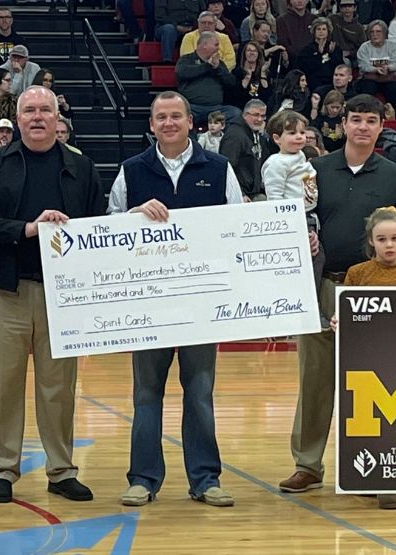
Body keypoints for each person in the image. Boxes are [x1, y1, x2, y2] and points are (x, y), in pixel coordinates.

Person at [283, 94, 396, 496]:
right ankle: (308, 464)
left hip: (382, 291)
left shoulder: (394, 175)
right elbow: (291, 217)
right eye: (355, 119)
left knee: (387, 378)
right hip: (326, 286)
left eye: (370, 120)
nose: (362, 127)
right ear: (343, 124)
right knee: (316, 377)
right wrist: (298, 238)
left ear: (381, 127)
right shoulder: (315, 170)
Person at [0, 86, 102, 504]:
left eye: (46, 109)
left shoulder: (81, 167)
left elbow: (99, 226)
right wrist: (27, 228)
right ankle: (2, 470)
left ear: (58, 117)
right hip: (8, 290)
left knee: (58, 387)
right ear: (18, 117)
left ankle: (61, 470)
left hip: (63, 295)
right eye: (30, 110)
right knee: (5, 385)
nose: (38, 117)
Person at [108, 91, 244, 509]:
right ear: (151, 125)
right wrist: (133, 216)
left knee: (199, 392)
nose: (168, 123)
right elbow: (109, 228)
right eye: (161, 117)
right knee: (146, 393)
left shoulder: (219, 168)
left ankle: (205, 478)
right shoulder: (131, 171)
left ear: (191, 122)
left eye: (176, 116)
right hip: (149, 305)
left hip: (201, 305)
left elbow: (237, 225)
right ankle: (143, 479)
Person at [262, 109, 318, 216]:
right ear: (277, 138)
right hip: (291, 216)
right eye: (292, 133)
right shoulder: (276, 163)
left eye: (302, 132)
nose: (299, 136)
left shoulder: (301, 155)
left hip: (309, 211)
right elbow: (274, 196)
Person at [177, 33, 243, 122]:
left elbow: (231, 82)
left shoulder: (219, 64)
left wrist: (218, 68)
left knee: (236, 113)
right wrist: (207, 66)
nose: (218, 48)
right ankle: (191, 136)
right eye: (216, 45)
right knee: (179, 112)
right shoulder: (187, 59)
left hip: (216, 109)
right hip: (192, 107)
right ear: (205, 45)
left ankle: (223, 136)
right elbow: (182, 73)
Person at [219, 99, 269, 199]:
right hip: (241, 196)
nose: (260, 119)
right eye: (256, 115)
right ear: (245, 115)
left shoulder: (255, 132)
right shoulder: (234, 136)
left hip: (254, 192)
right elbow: (226, 168)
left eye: (263, 116)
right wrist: (241, 194)